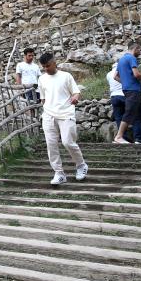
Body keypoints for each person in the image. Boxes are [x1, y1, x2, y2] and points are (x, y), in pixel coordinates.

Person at [36, 53, 87, 185]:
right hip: (48, 115)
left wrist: (75, 97)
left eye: (48, 66)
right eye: (43, 67)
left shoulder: (66, 76)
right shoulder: (41, 79)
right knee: (51, 145)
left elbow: (76, 92)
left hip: (66, 114)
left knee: (68, 142)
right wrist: (47, 109)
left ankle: (81, 165)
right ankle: (59, 173)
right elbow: (43, 98)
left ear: (54, 63)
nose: (46, 69)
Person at [113, 41, 141, 144]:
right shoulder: (132, 58)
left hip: (128, 90)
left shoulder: (121, 60)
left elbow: (115, 76)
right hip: (134, 90)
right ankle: (119, 136)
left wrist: (126, 82)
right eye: (140, 50)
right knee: (129, 113)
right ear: (135, 48)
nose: (140, 52)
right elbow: (136, 74)